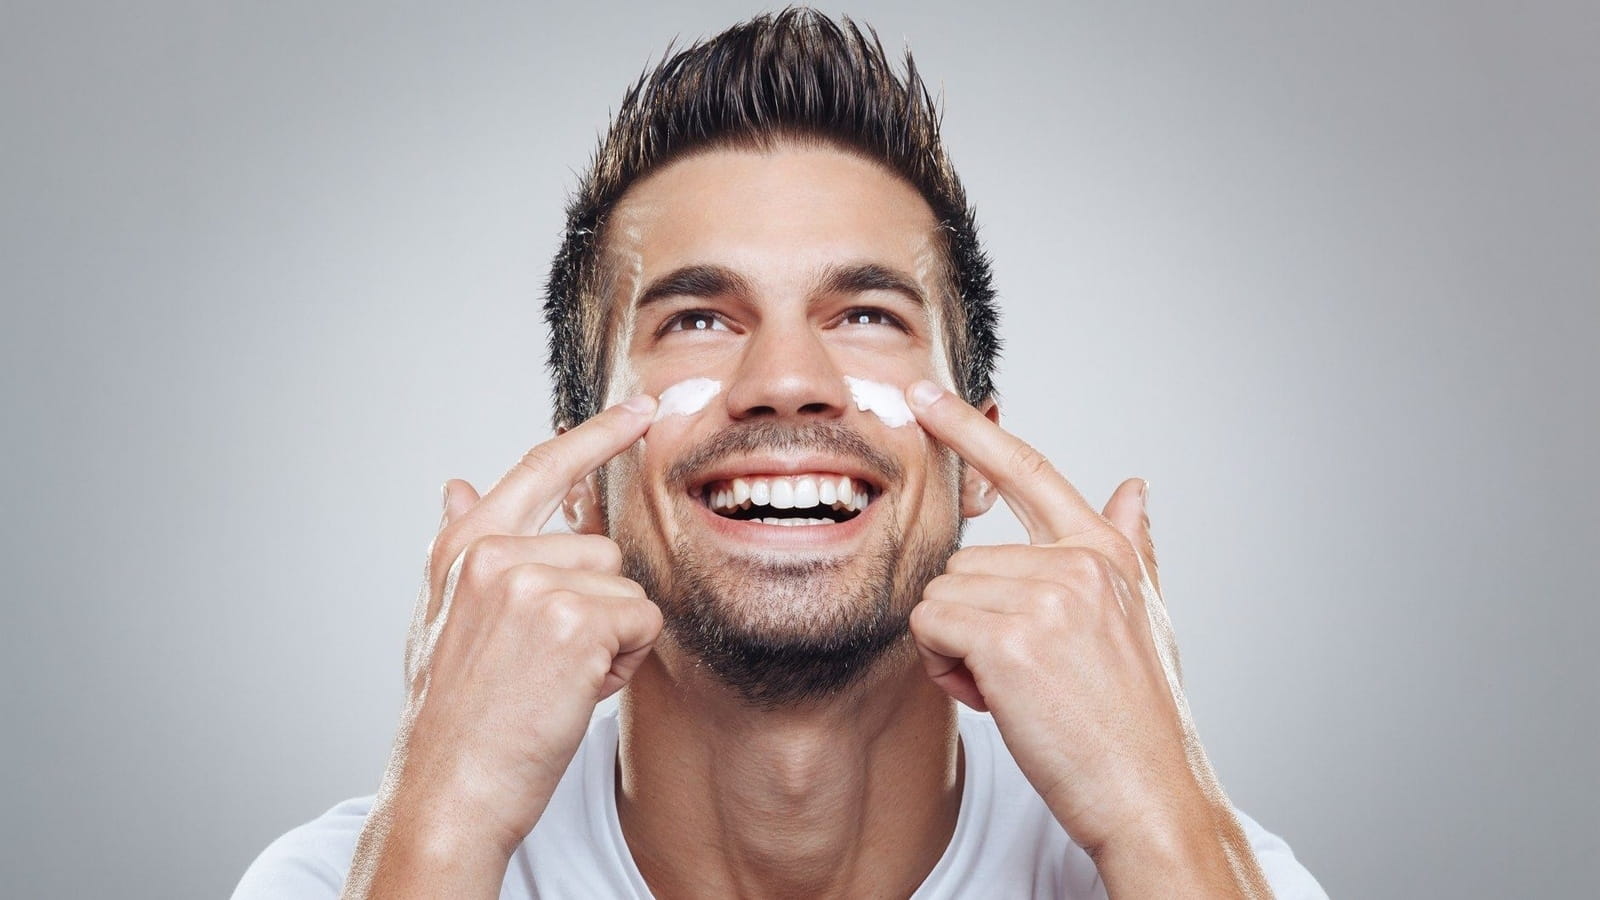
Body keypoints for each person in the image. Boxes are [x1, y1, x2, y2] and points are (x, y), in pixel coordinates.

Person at [235, 10, 1325, 898]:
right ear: (582, 485)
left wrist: (1157, 811)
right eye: (698, 319)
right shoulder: (351, 877)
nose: (785, 380)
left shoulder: (1195, 873)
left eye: (865, 315)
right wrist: (448, 815)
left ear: (980, 457)